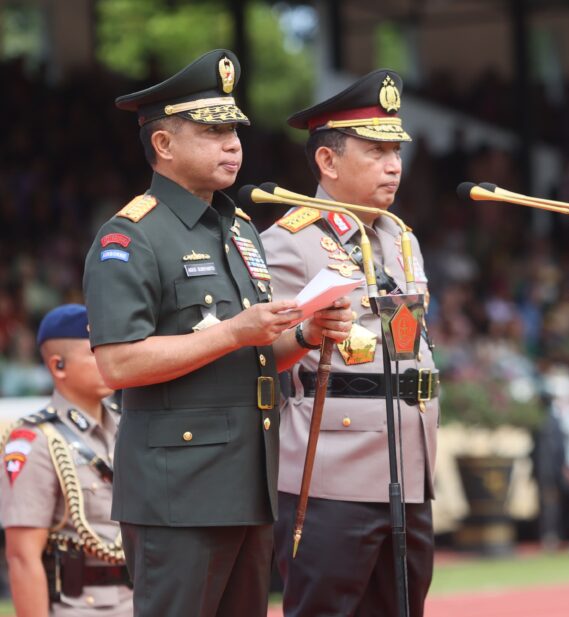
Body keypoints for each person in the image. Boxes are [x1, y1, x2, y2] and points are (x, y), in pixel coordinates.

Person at [81, 50, 353, 617]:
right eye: (212, 131)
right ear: (163, 145)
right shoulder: (131, 237)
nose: (233, 144)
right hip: (177, 493)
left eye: (234, 131)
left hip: (246, 483)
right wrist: (235, 332)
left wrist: (303, 336)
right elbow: (119, 365)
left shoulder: (238, 228)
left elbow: (251, 355)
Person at [261, 69, 440, 616]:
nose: (393, 165)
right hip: (331, 473)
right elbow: (259, 355)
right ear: (327, 161)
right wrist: (305, 333)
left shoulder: (401, 240)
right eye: (376, 150)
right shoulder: (288, 243)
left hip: (409, 469)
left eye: (397, 151)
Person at [0, 304, 132, 616]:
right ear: (58, 366)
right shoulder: (35, 441)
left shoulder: (130, 425)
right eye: (95, 352)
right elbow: (22, 557)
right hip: (78, 607)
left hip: (142, 601)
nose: (108, 359)